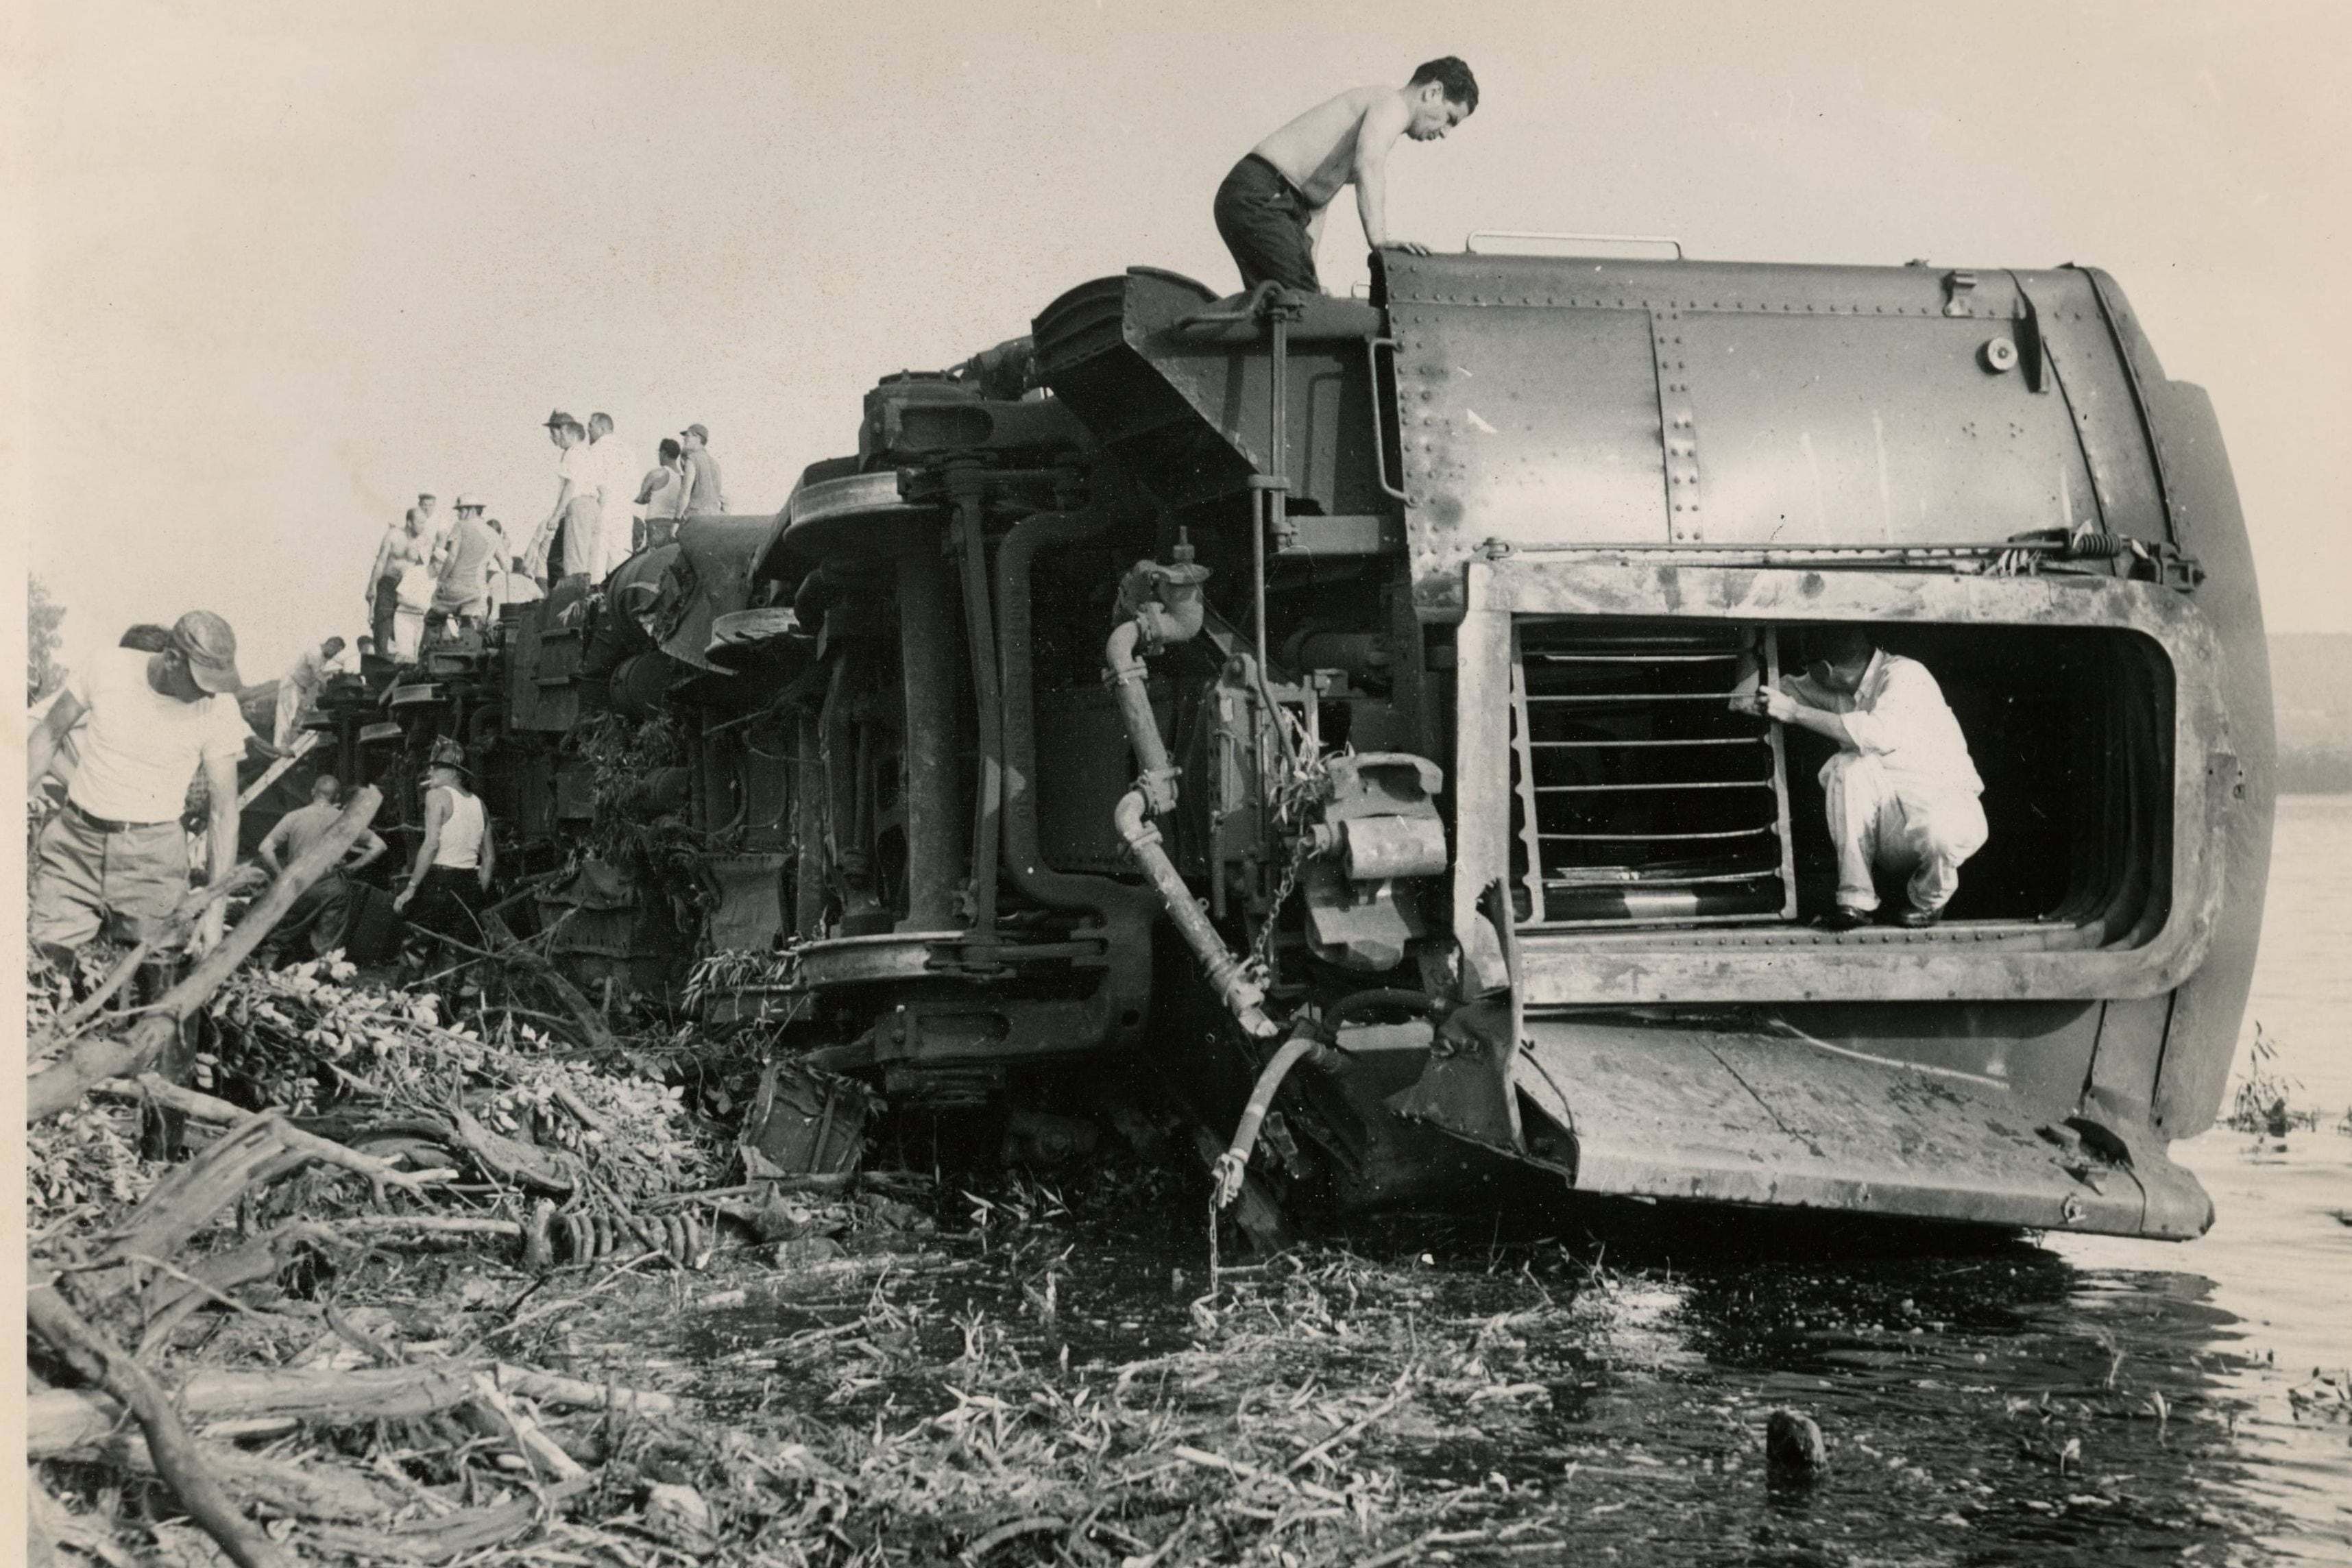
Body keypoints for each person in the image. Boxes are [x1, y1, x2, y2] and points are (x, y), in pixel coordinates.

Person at [26, 611, 248, 964]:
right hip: (74, 850)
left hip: (153, 862)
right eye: (203, 685)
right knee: (45, 967)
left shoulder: (219, 709)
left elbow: (224, 811)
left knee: (156, 976)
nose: (210, 696)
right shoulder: (107, 667)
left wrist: (214, 909)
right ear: (173, 659)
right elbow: (49, 733)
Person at [1753, 628, 1988, 930]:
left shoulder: (1906, 675)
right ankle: (1856, 900)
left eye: (1807, 668)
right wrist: (1758, 684)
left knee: (1940, 834)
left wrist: (1796, 713)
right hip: (1894, 825)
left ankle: (1928, 902)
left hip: (1947, 811)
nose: (1805, 675)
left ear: (1824, 669)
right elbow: (1758, 697)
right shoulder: (1833, 687)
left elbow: (1873, 734)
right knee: (1849, 767)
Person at [1213, 58, 1478, 295]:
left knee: (1295, 305)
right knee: (1301, 311)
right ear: (1433, 92)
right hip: (1261, 193)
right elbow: (1370, 165)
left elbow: (1318, 203)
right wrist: (1380, 241)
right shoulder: (1391, 103)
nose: (1445, 132)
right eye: (1450, 119)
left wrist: (1312, 280)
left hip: (1268, 200)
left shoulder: (1379, 120)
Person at [257, 773, 389, 959]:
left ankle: (267, 974)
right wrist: (352, 867)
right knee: (328, 949)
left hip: (299, 884)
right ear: (336, 797)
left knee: (280, 939)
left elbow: (265, 848)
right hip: (332, 887)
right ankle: (322, 982)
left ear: (313, 793)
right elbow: (379, 846)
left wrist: (281, 874)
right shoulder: (347, 820)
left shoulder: (293, 817)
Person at [395, 738, 495, 951]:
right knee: (457, 949)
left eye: (435, 768)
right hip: (470, 883)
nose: (430, 773)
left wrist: (411, 888)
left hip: (440, 881)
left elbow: (431, 845)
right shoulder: (480, 805)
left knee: (418, 945)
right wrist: (478, 891)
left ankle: (407, 986)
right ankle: (450, 985)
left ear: (452, 772)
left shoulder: (436, 796)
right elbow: (489, 858)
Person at [524, 411, 600, 590]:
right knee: (578, 560)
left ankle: (575, 605)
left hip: (578, 506)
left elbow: (570, 486)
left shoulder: (572, 453)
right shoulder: (586, 453)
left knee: (574, 563)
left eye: (554, 433)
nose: (552, 439)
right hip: (592, 507)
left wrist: (556, 515)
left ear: (565, 430)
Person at [429, 494, 500, 635]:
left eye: (461, 511)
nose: (458, 515)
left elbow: (452, 557)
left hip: (460, 588)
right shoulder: (492, 534)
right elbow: (506, 564)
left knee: (434, 617)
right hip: (480, 591)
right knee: (473, 633)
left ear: (472, 510)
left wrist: (441, 580)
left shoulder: (461, 527)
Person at [365, 510, 428, 651]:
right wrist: (372, 586)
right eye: (420, 522)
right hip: (388, 583)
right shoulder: (393, 535)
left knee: (405, 624)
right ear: (409, 522)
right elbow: (380, 562)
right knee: (382, 624)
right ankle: (381, 658)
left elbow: (424, 569)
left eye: (425, 522)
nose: (423, 526)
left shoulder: (423, 541)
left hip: (406, 587)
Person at [274, 636, 348, 748]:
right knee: (286, 717)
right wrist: (331, 687)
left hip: (302, 687)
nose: (335, 655)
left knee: (301, 717)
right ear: (331, 644)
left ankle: (293, 746)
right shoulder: (315, 653)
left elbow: (338, 662)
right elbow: (318, 675)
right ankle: (279, 749)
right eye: (335, 651)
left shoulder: (326, 655)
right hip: (292, 684)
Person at [585, 413, 640, 565]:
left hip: (602, 510)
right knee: (621, 563)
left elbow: (590, 485)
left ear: (602, 428)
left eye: (591, 425)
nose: (587, 429)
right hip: (624, 511)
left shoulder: (595, 450)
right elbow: (636, 489)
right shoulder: (629, 451)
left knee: (596, 562)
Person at [634, 437, 688, 549]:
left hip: (656, 524)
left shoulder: (657, 474)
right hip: (676, 526)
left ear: (663, 453)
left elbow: (639, 498)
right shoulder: (684, 478)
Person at [677, 423, 726, 517]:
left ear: (697, 438)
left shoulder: (692, 459)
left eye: (688, 436)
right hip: (714, 515)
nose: (684, 439)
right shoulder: (714, 463)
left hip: (696, 514)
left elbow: (685, 494)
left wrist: (676, 520)